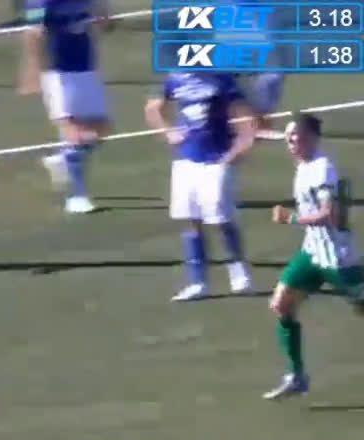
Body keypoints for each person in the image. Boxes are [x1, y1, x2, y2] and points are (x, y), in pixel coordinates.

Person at [264, 113, 364, 400]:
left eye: (295, 135)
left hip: (339, 260)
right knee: (281, 304)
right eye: (287, 136)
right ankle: (296, 376)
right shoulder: (304, 166)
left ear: (310, 137)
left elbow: (327, 215)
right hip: (312, 253)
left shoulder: (322, 169)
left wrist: (290, 218)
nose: (290, 140)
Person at [144, 73, 256, 301]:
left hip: (218, 159)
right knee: (190, 219)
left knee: (221, 218)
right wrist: (167, 132)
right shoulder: (175, 78)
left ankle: (237, 270)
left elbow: (246, 117)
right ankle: (197, 282)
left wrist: (239, 149)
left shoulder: (222, 79)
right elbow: (153, 107)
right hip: (186, 161)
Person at [21, 0, 114, 214]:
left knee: (102, 130)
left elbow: (105, 23)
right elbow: (33, 34)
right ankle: (76, 196)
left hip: (86, 67)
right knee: (73, 132)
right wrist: (32, 71)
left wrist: (104, 16)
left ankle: (64, 158)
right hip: (57, 72)